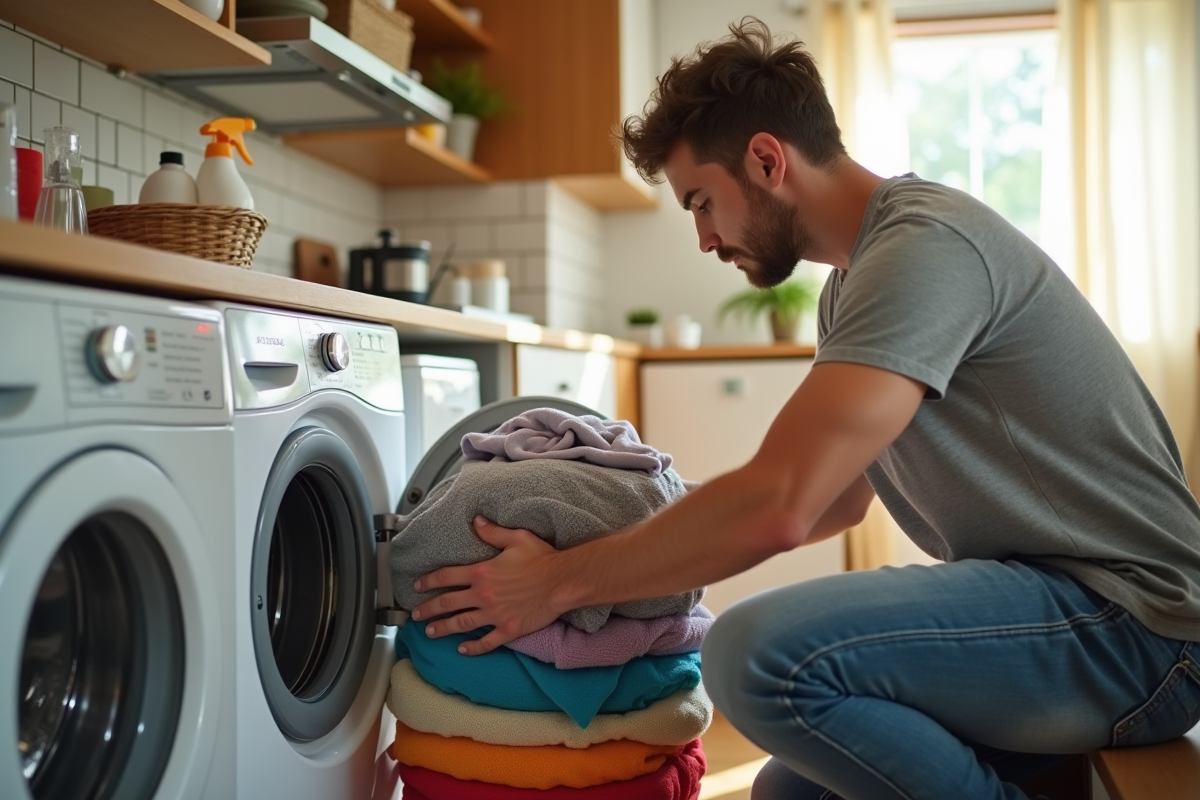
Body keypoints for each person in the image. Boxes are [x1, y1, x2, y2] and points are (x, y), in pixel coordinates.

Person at [408, 18, 1200, 800]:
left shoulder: (926, 247)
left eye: (702, 202)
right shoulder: (849, 287)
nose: (704, 240)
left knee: (752, 654)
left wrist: (557, 584)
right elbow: (833, 502)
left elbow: (783, 504)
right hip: (1061, 611)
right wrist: (621, 543)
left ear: (765, 159)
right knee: (789, 793)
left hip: (1138, 626)